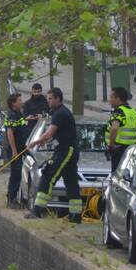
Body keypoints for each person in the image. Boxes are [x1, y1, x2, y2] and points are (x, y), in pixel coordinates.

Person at [26, 88, 83, 223]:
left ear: (58, 98)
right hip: (67, 149)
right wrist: (44, 141)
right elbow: (56, 134)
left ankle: (38, 210)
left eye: (50, 98)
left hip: (66, 151)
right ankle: (75, 215)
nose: (48, 101)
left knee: (48, 175)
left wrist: (35, 142)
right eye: (48, 98)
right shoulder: (60, 112)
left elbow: (49, 133)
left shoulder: (60, 114)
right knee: (71, 182)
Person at [105, 87, 136, 172]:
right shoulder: (134, 112)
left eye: (111, 97)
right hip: (130, 150)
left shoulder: (118, 112)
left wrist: (111, 146)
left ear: (118, 99)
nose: (109, 100)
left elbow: (114, 129)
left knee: (116, 177)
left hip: (118, 150)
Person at [4, 93, 30, 209]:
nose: (21, 101)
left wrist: (28, 119)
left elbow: (21, 125)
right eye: (19, 100)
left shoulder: (18, 114)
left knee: (20, 174)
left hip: (21, 148)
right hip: (15, 150)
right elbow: (10, 133)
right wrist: (14, 151)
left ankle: (18, 198)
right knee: (15, 174)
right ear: (13, 103)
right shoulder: (12, 115)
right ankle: (11, 199)